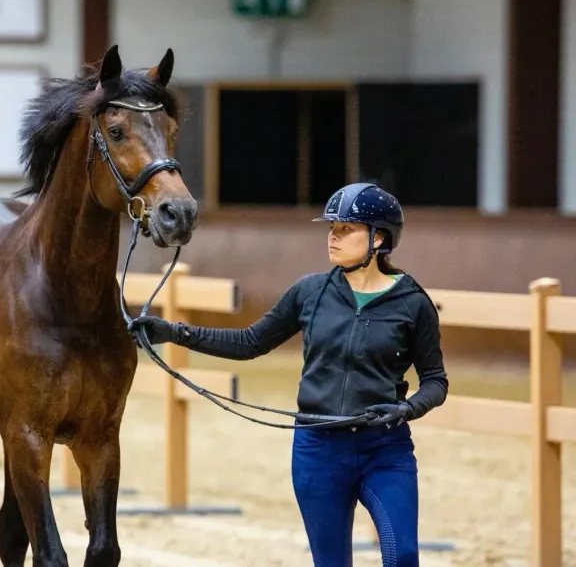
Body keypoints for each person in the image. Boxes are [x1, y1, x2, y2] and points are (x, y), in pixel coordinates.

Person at [128, 182, 448, 567]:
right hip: (318, 449)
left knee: (402, 557)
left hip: (385, 450)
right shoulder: (309, 292)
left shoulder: (413, 303)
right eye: (331, 228)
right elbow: (249, 342)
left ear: (378, 237)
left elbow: (436, 380)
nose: (333, 236)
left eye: (345, 229)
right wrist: (175, 332)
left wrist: (408, 409)